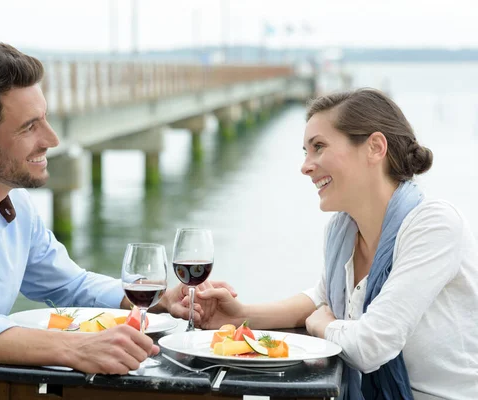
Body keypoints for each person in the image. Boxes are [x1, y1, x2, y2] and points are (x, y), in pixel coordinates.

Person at [0, 43, 234, 400]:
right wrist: (72, 348)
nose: (52, 139)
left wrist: (154, 301)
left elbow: (71, 284)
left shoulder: (15, 202)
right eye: (29, 127)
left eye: (45, 118)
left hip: (1, 391)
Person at [195, 88, 478, 399]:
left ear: (374, 147)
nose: (306, 166)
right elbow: (320, 299)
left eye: (319, 147)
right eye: (306, 151)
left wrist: (324, 326)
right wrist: (238, 316)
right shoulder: (342, 231)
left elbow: (370, 346)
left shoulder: (434, 225)